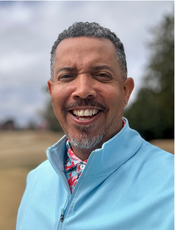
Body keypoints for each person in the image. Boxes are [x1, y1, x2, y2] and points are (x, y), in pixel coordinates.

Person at [16, 22, 174, 230]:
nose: (83, 90)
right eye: (67, 76)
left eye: (101, 75)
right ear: (52, 91)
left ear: (126, 91)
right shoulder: (36, 180)